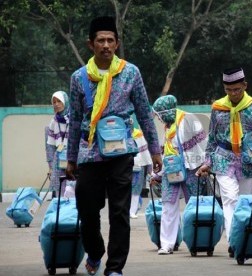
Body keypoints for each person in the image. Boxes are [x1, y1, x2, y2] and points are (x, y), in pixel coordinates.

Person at [66, 16, 162, 276]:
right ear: (90, 44)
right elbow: (74, 120)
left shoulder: (131, 72)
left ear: (117, 43)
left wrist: (155, 150)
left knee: (119, 211)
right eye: (100, 40)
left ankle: (114, 268)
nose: (106, 45)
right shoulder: (79, 78)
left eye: (110, 40)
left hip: (122, 152)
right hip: (89, 152)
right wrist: (71, 158)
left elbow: (144, 112)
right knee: (87, 207)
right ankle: (95, 251)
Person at [196, 68, 252, 257]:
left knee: (245, 201)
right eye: (229, 90)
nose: (233, 94)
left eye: (237, 89)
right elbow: (211, 137)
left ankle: (243, 239)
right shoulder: (218, 108)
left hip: (250, 160)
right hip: (223, 158)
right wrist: (207, 161)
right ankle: (234, 241)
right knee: (230, 198)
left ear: (245, 86)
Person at [152, 95, 208, 255]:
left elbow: (203, 145)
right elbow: (166, 152)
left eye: (159, 114)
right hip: (171, 171)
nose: (159, 118)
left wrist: (204, 165)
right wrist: (157, 174)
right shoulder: (167, 126)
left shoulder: (188, 119)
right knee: (168, 206)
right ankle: (166, 244)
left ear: (166, 111)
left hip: (192, 170)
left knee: (193, 207)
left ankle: (196, 241)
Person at [45, 91, 70, 197]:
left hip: (73, 160)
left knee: (72, 189)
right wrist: (50, 167)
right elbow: (50, 146)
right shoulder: (53, 121)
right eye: (54, 102)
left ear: (65, 102)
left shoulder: (74, 118)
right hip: (59, 161)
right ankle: (61, 212)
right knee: (59, 192)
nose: (56, 104)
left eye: (59, 101)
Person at [130, 128, 153, 219]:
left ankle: (132, 211)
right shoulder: (120, 131)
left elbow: (144, 151)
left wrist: (149, 164)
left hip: (138, 165)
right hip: (124, 165)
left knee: (136, 190)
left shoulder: (138, 134)